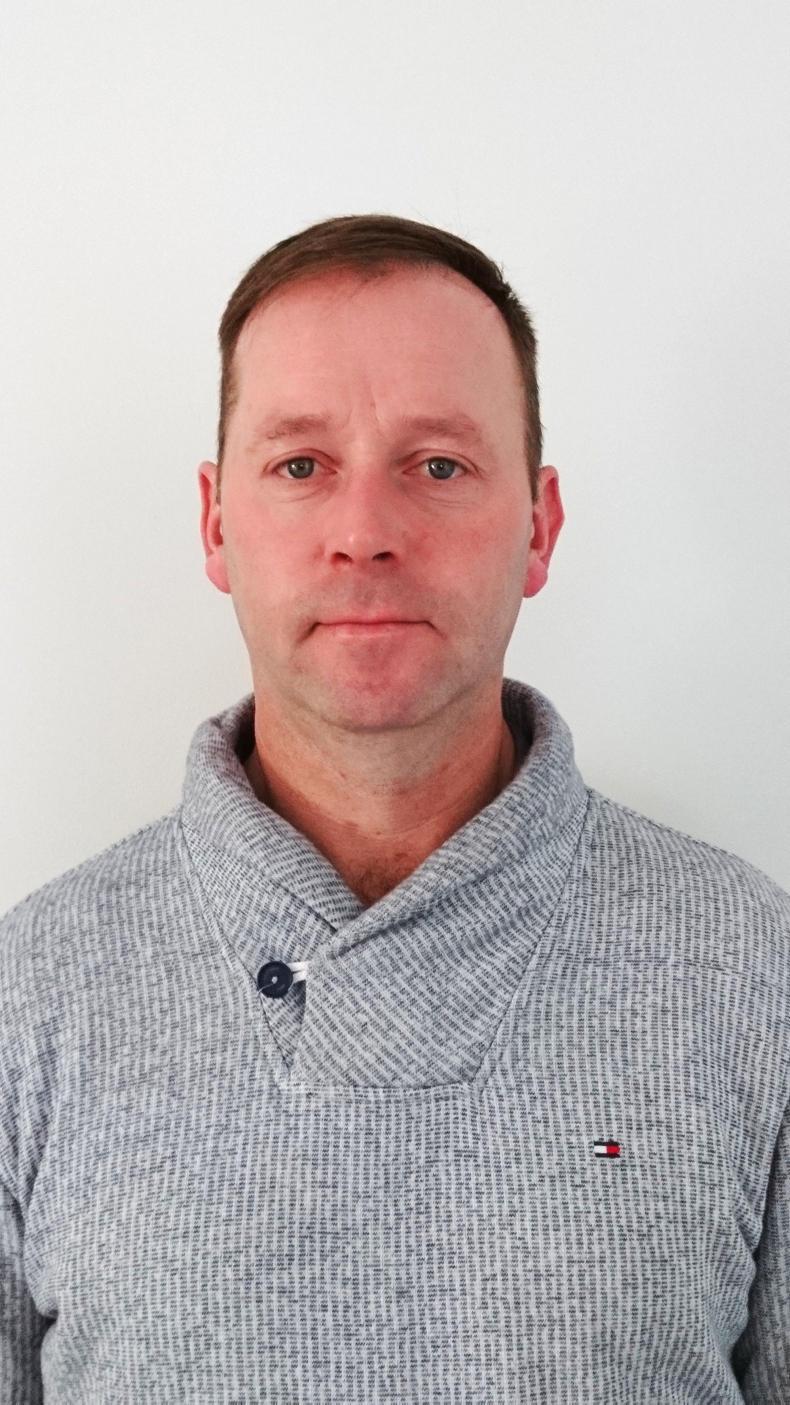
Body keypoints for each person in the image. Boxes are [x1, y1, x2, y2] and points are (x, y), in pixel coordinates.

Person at [1, 213, 788, 1403]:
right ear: (216, 523)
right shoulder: (28, 999)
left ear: (540, 526)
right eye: (300, 466)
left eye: (437, 465)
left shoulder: (753, 974)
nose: (364, 534)